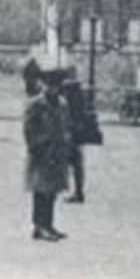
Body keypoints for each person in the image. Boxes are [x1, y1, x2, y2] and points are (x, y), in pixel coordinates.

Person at [24, 68, 74, 241]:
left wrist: (65, 146)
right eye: (50, 85)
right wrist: (36, 146)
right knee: (40, 190)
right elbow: (28, 129)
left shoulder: (62, 104)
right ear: (44, 85)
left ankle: (48, 224)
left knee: (52, 190)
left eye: (56, 86)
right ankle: (39, 226)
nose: (53, 89)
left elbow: (66, 125)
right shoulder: (35, 104)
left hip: (56, 152)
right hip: (41, 151)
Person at [63, 78, 97, 203]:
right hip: (78, 139)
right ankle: (78, 191)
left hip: (72, 137)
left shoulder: (71, 104)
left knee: (67, 164)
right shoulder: (81, 102)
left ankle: (76, 192)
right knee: (77, 167)